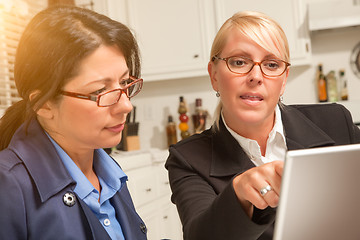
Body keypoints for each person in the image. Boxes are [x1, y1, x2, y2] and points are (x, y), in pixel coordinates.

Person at [165, 11, 360, 240]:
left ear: (284, 79)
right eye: (239, 62)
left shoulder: (336, 122)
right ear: (214, 75)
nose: (256, 76)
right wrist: (238, 194)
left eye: (271, 64)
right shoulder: (187, 158)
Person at [0, 5, 147, 240]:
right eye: (100, 90)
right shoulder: (8, 185)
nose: (126, 106)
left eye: (124, 83)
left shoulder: (109, 173)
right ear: (43, 104)